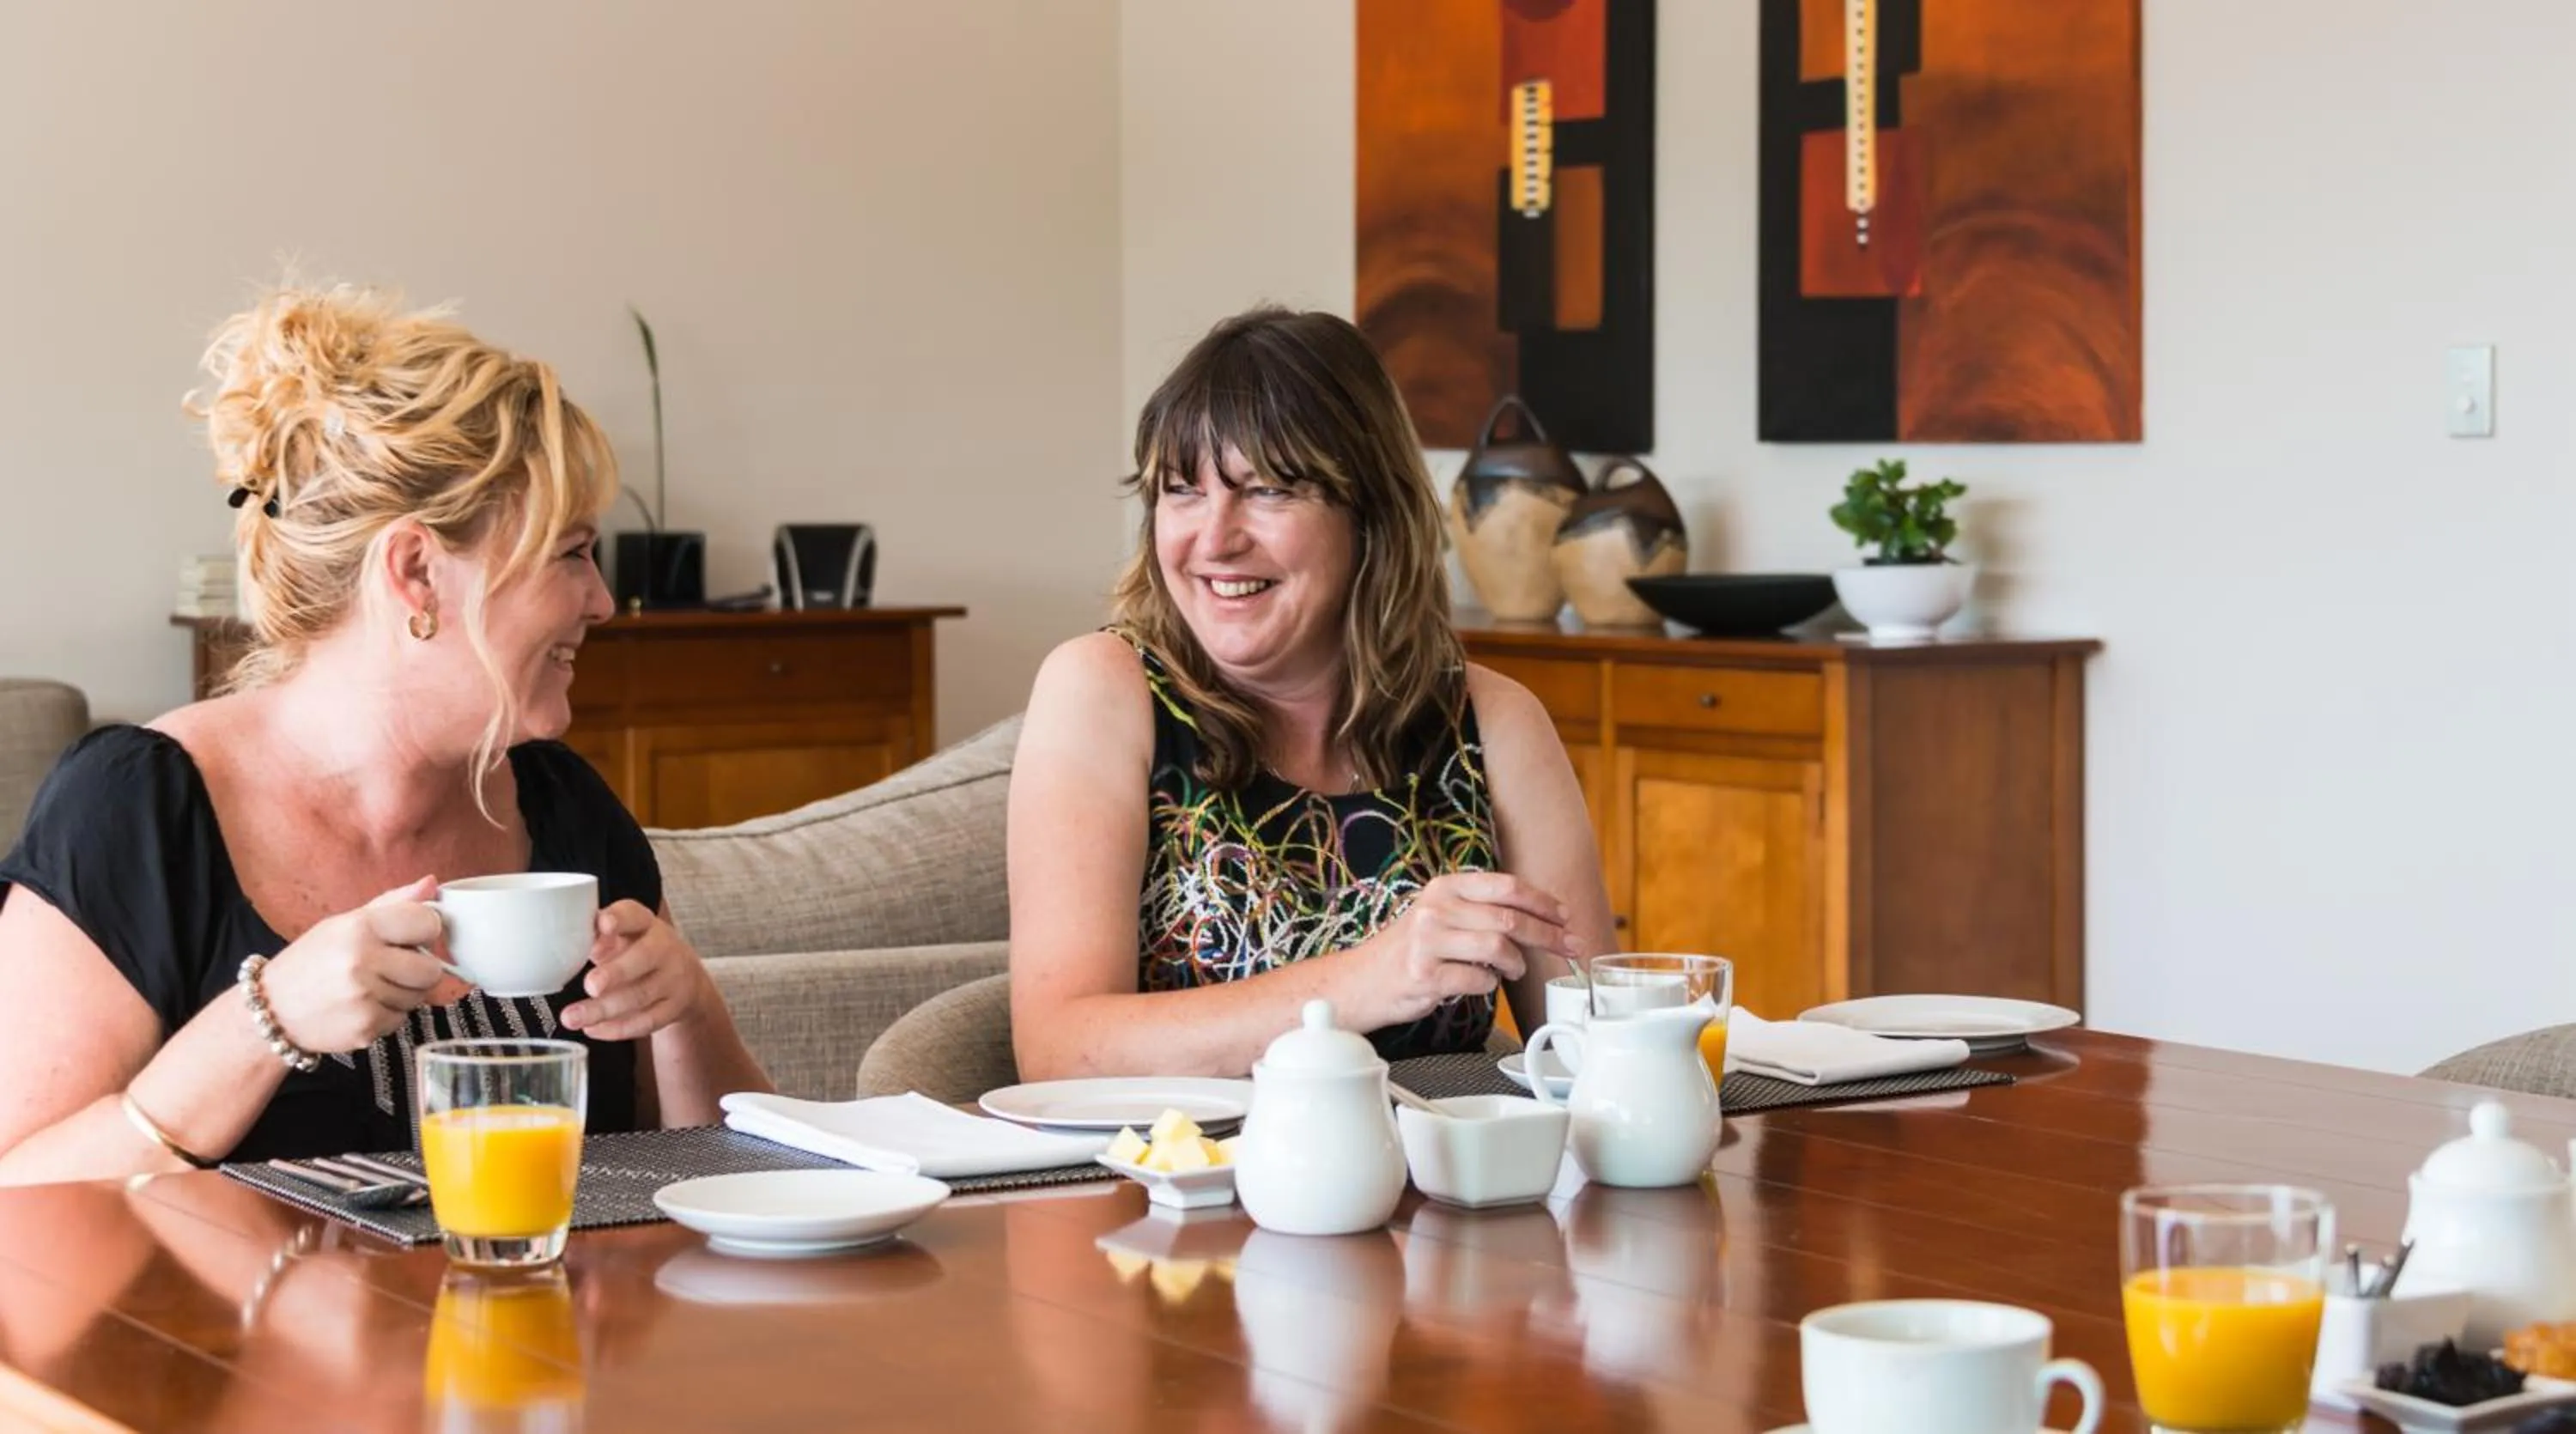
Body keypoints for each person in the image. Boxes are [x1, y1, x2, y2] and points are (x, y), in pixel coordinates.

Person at [0, 283, 771, 1184]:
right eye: (571, 553)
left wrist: (691, 1015)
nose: (601, 599)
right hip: (223, 1330)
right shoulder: (142, 809)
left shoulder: (562, 803)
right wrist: (265, 1021)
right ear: (414, 571)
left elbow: (723, 1190)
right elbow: (20, 1191)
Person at [1008, 306, 1617, 1079]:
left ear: (1370, 513)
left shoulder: (1490, 724)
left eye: (1264, 491)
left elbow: (1597, 1047)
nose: (1214, 539)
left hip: (1440, 1193)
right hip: (1177, 1189)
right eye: (1181, 491)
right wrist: (1362, 981)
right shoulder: (1104, 690)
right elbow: (1059, 1051)